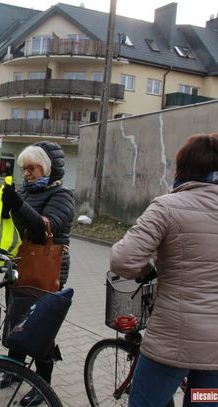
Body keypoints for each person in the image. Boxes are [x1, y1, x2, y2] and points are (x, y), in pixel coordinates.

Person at [110, 133, 218, 407]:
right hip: (214, 354)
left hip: (172, 342)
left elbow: (123, 259)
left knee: (146, 402)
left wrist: (146, 271)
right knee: (205, 401)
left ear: (182, 169)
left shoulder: (167, 207)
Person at [0, 141, 74, 405]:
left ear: (47, 168)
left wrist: (18, 205)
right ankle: (15, 371)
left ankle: (42, 384)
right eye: (24, 168)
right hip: (20, 265)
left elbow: (47, 229)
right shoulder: (28, 191)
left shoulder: (62, 195)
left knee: (41, 327)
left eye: (32, 168)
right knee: (16, 320)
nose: (27, 173)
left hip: (46, 270)